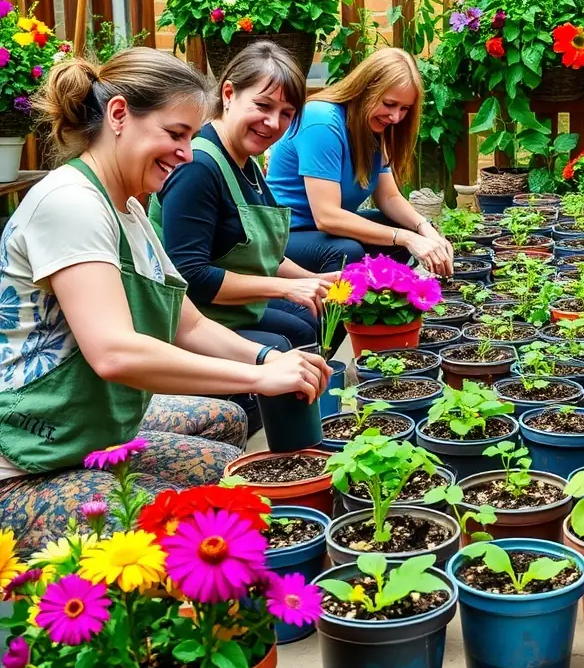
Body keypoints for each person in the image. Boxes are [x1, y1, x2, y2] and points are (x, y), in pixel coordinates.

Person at [0, 49, 329, 550]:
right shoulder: (69, 203)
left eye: (192, 138)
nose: (188, 153)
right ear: (118, 116)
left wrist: (271, 357)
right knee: (179, 524)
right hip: (26, 456)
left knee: (231, 434)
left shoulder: (128, 207)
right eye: (175, 134)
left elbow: (188, 324)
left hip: (88, 430)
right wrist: (260, 377)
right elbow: (115, 353)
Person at [153, 42, 337, 361]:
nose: (273, 123)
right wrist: (283, 289)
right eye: (263, 106)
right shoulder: (198, 166)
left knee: (309, 322)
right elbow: (191, 276)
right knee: (289, 338)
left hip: (229, 310)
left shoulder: (246, 162)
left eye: (286, 114)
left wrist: (313, 280)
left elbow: (264, 256)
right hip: (189, 322)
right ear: (228, 94)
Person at [267, 48, 453, 276]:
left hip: (321, 232)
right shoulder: (322, 121)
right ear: (365, 90)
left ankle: (374, 301)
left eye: (404, 109)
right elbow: (327, 217)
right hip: (284, 236)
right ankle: (324, 309)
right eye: (389, 104)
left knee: (399, 229)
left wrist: (425, 229)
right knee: (347, 251)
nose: (395, 117)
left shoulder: (373, 128)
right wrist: (406, 238)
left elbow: (389, 197)